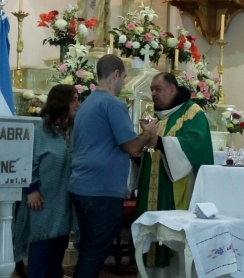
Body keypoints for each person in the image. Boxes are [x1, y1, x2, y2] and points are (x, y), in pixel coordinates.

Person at [68, 54, 159, 278]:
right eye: (124, 77)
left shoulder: (87, 103)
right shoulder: (113, 105)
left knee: (89, 250)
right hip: (102, 190)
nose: (123, 83)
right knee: (95, 253)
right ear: (115, 74)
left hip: (81, 186)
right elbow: (131, 148)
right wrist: (149, 133)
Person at [134, 72, 214, 271]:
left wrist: (159, 142)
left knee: (171, 237)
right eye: (151, 89)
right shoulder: (157, 116)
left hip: (175, 186)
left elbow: (196, 145)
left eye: (157, 89)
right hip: (152, 185)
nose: (153, 93)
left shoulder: (192, 112)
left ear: (172, 89)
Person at [13, 84, 80, 278]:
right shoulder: (40, 129)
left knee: (56, 258)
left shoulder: (73, 129)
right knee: (41, 256)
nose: (78, 103)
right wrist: (32, 189)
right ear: (62, 102)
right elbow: (27, 159)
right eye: (74, 99)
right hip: (41, 202)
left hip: (63, 201)